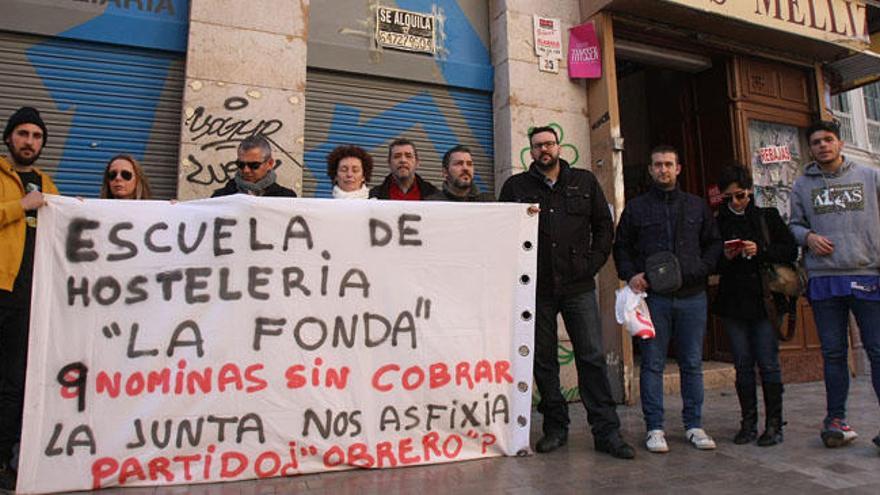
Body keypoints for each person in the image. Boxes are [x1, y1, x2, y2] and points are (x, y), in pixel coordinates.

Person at [499, 126, 635, 459]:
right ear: (531, 152)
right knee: (544, 361)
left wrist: (591, 264)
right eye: (537, 146)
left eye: (549, 143)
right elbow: (502, 232)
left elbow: (604, 227)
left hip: (578, 287)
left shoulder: (584, 182)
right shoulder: (516, 187)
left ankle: (606, 432)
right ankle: (555, 427)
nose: (544, 149)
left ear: (559, 147)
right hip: (537, 290)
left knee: (590, 356)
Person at [613, 145, 722, 453]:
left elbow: (714, 244)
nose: (663, 169)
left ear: (678, 169)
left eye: (668, 164)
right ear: (650, 170)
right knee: (652, 364)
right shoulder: (636, 208)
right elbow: (621, 247)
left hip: (693, 297)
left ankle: (694, 426)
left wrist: (700, 269)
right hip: (654, 300)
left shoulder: (697, 206)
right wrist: (631, 274)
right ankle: (655, 429)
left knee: (691, 363)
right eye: (657, 165)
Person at [789, 120, 880, 451]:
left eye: (828, 140)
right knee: (833, 354)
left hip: (868, 274)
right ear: (810, 149)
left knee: (877, 351)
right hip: (824, 279)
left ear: (840, 143)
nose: (822, 146)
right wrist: (809, 237)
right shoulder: (801, 185)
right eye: (816, 142)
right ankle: (835, 421)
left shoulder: (870, 177)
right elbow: (794, 226)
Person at [713, 164, 796, 447]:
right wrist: (726, 255)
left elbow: (789, 250)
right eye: (729, 198)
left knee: (768, 363)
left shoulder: (766, 217)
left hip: (765, 301)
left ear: (750, 192)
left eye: (741, 196)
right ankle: (748, 423)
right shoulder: (717, 221)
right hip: (733, 301)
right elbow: (710, 261)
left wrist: (760, 250)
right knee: (743, 364)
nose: (736, 202)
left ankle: (774, 423)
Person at [0, 106, 58, 489]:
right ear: (9, 138)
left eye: (36, 137)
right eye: (23, 134)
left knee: (13, 383)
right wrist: (20, 207)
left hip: (29, 300)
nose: (29, 142)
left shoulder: (48, 184)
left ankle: (4, 460)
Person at [212, 135, 296, 197]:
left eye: (254, 165)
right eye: (240, 164)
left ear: (270, 163)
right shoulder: (220, 197)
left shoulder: (287, 199)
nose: (246, 170)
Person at [369, 138, 438, 200]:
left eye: (408, 156)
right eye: (397, 156)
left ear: (417, 163)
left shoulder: (434, 195)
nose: (403, 160)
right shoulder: (375, 196)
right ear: (389, 163)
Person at [426, 145, 494, 202]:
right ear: (445, 172)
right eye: (459, 164)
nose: (465, 168)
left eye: (469, 164)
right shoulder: (434, 203)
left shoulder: (488, 202)